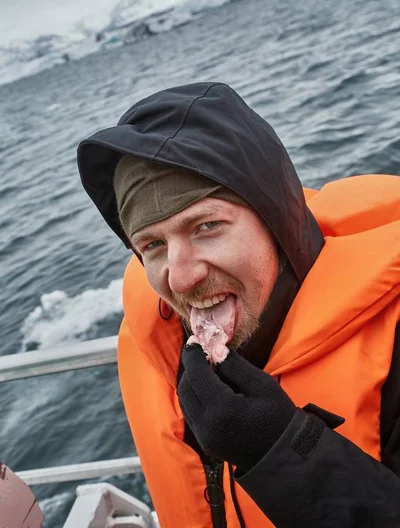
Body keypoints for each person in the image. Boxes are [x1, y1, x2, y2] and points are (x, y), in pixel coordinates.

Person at [77, 82, 400, 527]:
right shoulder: (158, 347)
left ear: (276, 220)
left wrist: (280, 450)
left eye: (207, 225)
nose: (182, 276)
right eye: (152, 244)